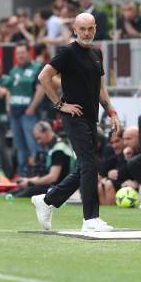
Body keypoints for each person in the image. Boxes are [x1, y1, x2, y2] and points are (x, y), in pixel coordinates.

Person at [31, 12, 121, 232]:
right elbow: (44, 77)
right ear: (74, 30)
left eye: (91, 28)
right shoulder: (67, 53)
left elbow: (101, 89)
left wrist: (112, 112)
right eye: (83, 29)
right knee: (89, 165)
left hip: (91, 117)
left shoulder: (97, 53)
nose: (87, 32)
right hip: (73, 117)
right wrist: (60, 105)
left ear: (95, 29)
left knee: (86, 166)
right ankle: (90, 219)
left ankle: (47, 200)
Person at [2, 43, 44, 177]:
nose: (20, 55)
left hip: (28, 113)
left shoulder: (37, 68)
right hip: (14, 113)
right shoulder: (14, 70)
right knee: (20, 146)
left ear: (29, 53)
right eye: (18, 53)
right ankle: (22, 174)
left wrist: (32, 107)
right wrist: (8, 106)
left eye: (22, 52)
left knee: (33, 143)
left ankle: (36, 172)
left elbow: (41, 89)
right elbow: (9, 89)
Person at [10, 121, 74, 198]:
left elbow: (52, 177)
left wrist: (30, 182)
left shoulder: (58, 149)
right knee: (15, 192)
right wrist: (27, 180)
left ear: (46, 132)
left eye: (39, 138)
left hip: (59, 188)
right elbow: (46, 175)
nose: (38, 141)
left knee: (25, 192)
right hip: (54, 186)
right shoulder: (54, 146)